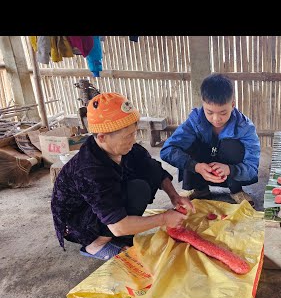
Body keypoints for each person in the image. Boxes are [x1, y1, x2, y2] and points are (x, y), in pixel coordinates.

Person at [51, 92, 194, 261]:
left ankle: (121, 234)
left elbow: (157, 171)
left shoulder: (126, 149)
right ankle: (96, 245)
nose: (132, 141)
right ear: (102, 137)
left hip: (102, 207)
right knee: (137, 191)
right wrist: (164, 218)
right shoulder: (89, 170)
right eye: (127, 136)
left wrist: (175, 197)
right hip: (78, 222)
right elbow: (119, 226)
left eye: (134, 133)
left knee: (149, 168)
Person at [160, 73, 260, 206]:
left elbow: (252, 167)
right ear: (203, 105)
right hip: (201, 171)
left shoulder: (245, 127)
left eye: (223, 113)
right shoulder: (194, 121)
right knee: (187, 143)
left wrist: (230, 169)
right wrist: (196, 167)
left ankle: (236, 191)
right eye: (209, 112)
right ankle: (200, 189)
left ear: (233, 105)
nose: (216, 119)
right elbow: (167, 150)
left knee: (233, 146)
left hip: (229, 174)